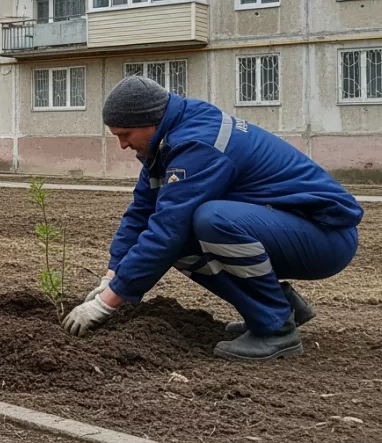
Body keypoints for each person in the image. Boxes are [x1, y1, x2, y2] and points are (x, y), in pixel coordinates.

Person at [63, 76, 363, 361]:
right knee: (185, 241)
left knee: (211, 220)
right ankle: (278, 308)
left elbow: (167, 229)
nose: (123, 145)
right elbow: (142, 211)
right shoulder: (168, 140)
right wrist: (113, 274)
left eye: (125, 135)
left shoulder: (197, 144)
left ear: (149, 121)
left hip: (325, 236)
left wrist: (106, 304)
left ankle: (275, 328)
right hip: (287, 227)